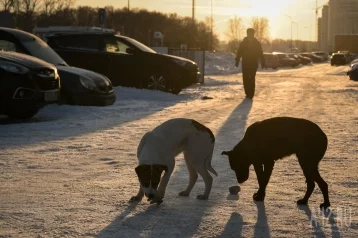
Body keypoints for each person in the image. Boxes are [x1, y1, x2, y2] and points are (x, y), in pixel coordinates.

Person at [235, 28, 265, 99]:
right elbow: (239, 52)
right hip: (245, 63)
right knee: (245, 78)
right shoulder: (243, 43)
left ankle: (251, 93)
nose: (250, 35)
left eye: (251, 33)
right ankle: (247, 92)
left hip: (253, 63)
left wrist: (263, 61)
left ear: (253, 34)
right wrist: (237, 60)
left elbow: (260, 52)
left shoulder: (256, 43)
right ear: (247, 34)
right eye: (249, 33)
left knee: (252, 78)